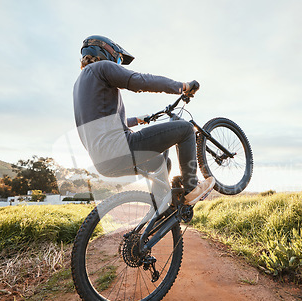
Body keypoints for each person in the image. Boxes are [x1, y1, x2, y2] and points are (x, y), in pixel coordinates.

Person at [73, 35, 214, 205]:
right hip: (120, 149)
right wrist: (182, 86)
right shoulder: (102, 67)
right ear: (106, 52)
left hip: (104, 163)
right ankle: (191, 189)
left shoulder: (79, 85)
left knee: (161, 163)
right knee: (185, 129)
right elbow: (140, 81)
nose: (116, 65)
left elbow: (104, 122)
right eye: (117, 60)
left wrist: (140, 120)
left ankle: (160, 208)